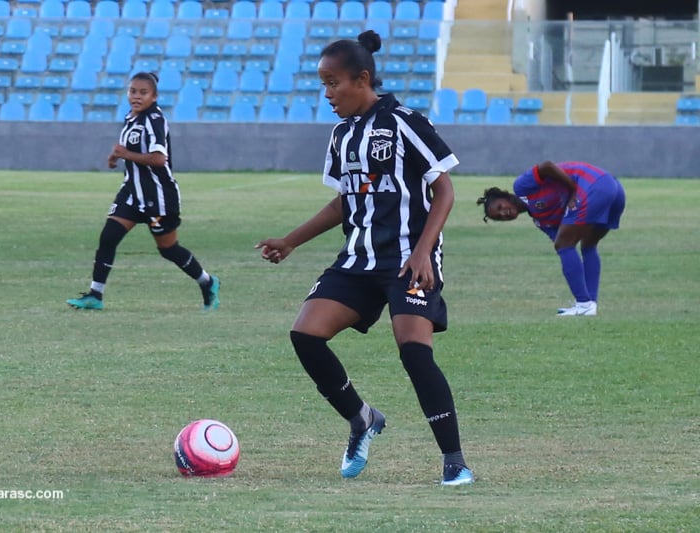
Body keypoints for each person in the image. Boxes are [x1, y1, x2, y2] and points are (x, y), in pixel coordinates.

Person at [256, 31, 474, 486]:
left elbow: (445, 190)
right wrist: (292, 240)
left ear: (362, 79)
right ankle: (361, 419)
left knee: (414, 353)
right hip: (358, 259)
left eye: (333, 83)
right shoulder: (341, 135)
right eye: (323, 84)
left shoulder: (404, 121)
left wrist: (422, 252)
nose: (327, 93)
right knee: (306, 334)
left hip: (408, 261)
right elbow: (343, 203)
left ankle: (455, 462)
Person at [67, 72, 220, 311]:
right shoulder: (131, 118)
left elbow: (159, 159)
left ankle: (208, 282)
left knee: (168, 249)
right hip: (131, 193)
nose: (136, 97)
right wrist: (114, 157)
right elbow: (127, 148)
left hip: (158, 195)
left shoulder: (154, 121)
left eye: (143, 92)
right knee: (108, 237)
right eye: (133, 92)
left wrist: (125, 155)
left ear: (154, 96)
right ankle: (95, 295)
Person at [476, 160, 626, 316]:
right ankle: (590, 303)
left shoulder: (521, 187)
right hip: (614, 189)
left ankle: (583, 303)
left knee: (564, 245)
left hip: (594, 185)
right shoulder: (542, 221)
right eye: (499, 217)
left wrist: (573, 189)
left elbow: (546, 166)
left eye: (500, 206)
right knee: (588, 244)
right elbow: (562, 242)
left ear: (506, 196)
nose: (503, 213)